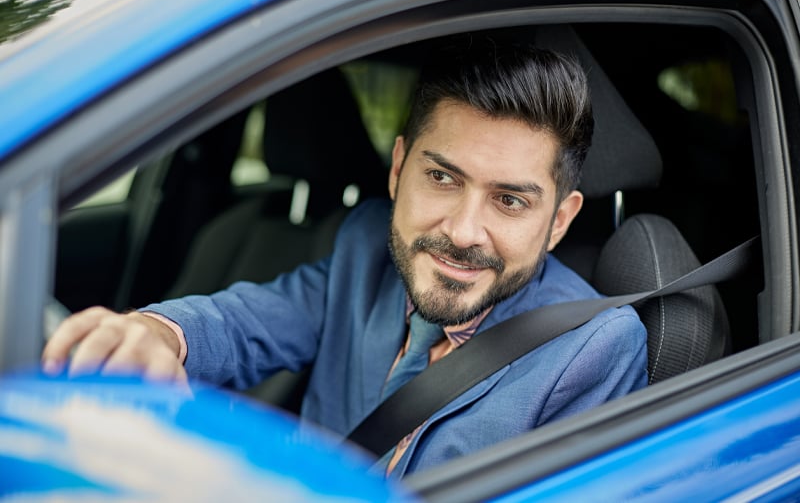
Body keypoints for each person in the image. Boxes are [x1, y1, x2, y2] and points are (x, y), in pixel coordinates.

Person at [42, 37, 648, 478]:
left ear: (559, 220)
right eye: (441, 177)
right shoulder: (364, 245)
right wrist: (158, 334)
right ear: (397, 169)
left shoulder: (593, 348)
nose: (464, 232)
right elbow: (247, 320)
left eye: (510, 200)